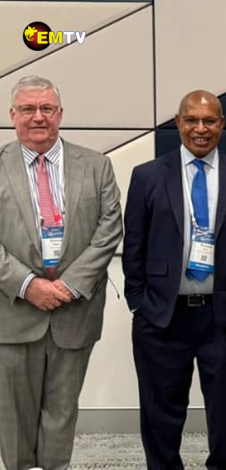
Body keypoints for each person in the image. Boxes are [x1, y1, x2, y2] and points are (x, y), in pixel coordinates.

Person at [122, 90, 226, 470]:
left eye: (209, 120)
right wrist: (139, 302)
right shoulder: (148, 176)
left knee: (223, 412)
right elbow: (133, 245)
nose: (200, 128)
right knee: (160, 412)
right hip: (162, 316)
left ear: (222, 124)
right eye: (192, 120)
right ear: (178, 123)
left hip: (223, 316)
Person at [0, 75, 123, 470]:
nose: (38, 117)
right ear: (12, 115)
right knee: (13, 418)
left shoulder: (96, 166)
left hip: (74, 312)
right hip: (13, 313)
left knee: (62, 413)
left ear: (60, 114)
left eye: (47, 108)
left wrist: (69, 286)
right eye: (28, 109)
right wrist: (27, 285)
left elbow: (109, 231)